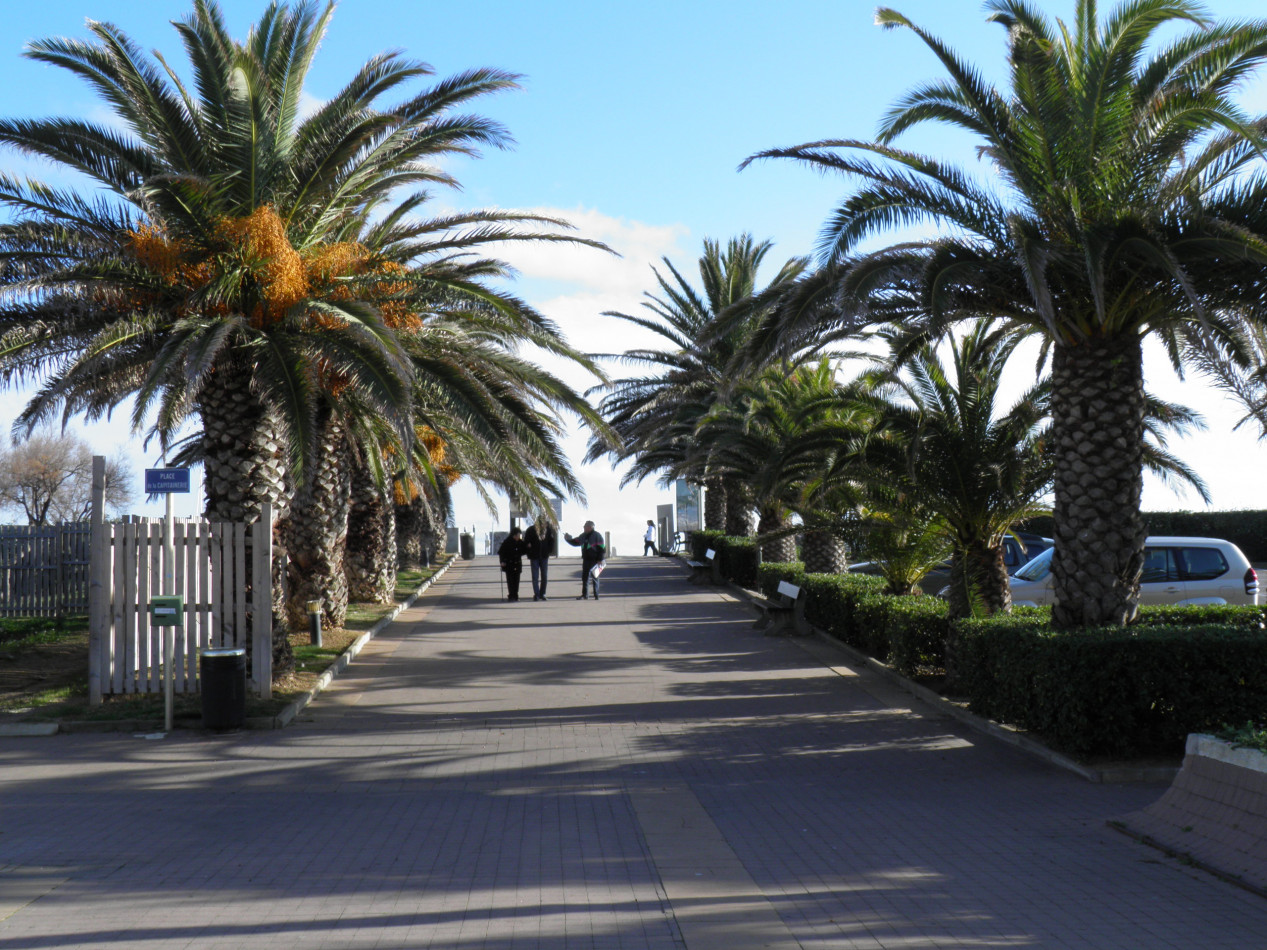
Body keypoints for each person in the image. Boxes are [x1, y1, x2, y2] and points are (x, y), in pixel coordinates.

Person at [563, 520, 606, 599]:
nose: (584, 528)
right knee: (585, 577)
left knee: (595, 577)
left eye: (585, 526)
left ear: (590, 527)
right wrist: (568, 539)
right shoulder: (583, 535)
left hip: (595, 560)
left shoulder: (597, 535)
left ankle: (596, 595)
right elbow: (576, 542)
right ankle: (585, 595)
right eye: (584, 526)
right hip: (586, 559)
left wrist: (600, 559)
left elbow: (602, 548)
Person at [523, 515, 557, 601]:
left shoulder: (548, 531)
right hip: (534, 556)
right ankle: (537, 594)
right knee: (535, 577)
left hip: (544, 556)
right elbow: (526, 541)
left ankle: (543, 594)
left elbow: (551, 541)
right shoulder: (530, 530)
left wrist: (548, 550)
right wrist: (529, 547)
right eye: (544, 523)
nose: (545, 525)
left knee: (544, 576)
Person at [497, 527, 529, 602]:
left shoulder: (520, 542)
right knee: (510, 580)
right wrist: (502, 562)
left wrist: (528, 547)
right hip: (509, 564)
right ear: (514, 535)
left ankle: (516, 594)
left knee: (516, 581)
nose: (518, 537)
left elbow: (524, 550)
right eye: (518, 535)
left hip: (517, 564)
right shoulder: (507, 542)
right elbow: (501, 553)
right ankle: (511, 595)